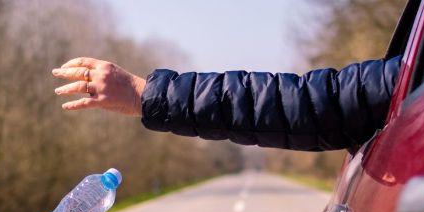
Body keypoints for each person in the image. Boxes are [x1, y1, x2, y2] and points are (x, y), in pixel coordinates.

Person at [51, 55, 402, 152]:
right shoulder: (418, 77)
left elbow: (317, 105)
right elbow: (319, 104)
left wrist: (141, 95)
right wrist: (142, 95)